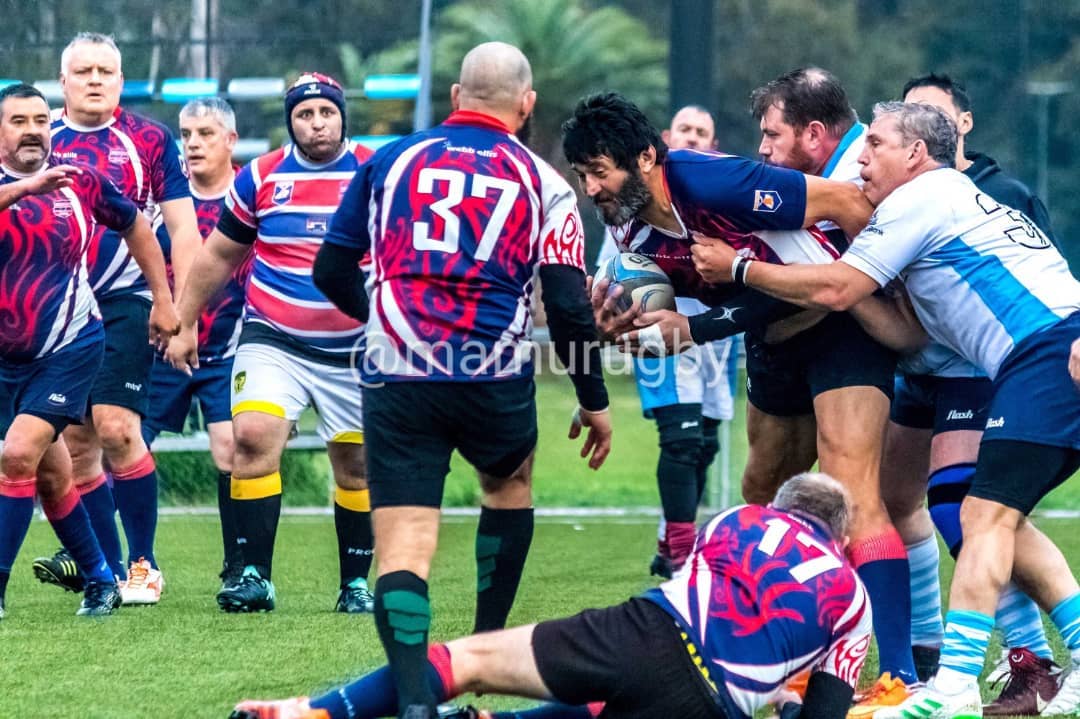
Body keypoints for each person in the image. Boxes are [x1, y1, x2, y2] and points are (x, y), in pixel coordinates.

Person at [689, 100, 1080, 719]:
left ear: (916, 154)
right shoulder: (944, 200)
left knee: (980, 515)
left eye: (875, 144)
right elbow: (901, 333)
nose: (862, 157)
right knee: (993, 517)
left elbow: (838, 285)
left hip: (1048, 351)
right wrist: (833, 284)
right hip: (1043, 354)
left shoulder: (917, 201)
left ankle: (953, 684)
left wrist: (741, 267)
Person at [561, 91, 921, 697]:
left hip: (838, 328)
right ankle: (787, 658)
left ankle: (898, 676)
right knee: (762, 494)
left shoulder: (715, 182)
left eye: (600, 171)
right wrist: (618, 332)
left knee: (850, 485)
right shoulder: (628, 233)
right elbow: (674, 309)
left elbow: (850, 203)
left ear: (647, 156)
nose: (591, 188)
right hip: (770, 340)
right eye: (582, 175)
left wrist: (885, 291)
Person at [310, 42, 612, 719]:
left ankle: (417, 700)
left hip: (398, 373)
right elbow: (566, 305)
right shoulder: (546, 182)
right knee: (508, 483)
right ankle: (481, 644)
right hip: (491, 376)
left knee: (406, 542)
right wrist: (594, 399)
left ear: (454, 96)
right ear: (526, 104)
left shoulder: (387, 162)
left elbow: (330, 270)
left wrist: (380, 317)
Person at [230, 473, 871, 719]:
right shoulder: (853, 598)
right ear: (840, 538)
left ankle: (313, 713)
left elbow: (699, 595)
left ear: (780, 506)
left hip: (648, 633)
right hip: (715, 705)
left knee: (468, 662)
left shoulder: (735, 519)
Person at [874, 73, 1062, 711]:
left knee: (972, 512)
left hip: (992, 369)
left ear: (958, 126)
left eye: (931, 115)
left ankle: (1014, 662)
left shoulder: (998, 194)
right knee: (900, 500)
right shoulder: (891, 193)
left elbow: (1043, 283)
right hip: (920, 369)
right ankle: (932, 651)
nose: (917, 124)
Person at [165, 73, 376, 614]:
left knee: (355, 464)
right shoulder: (262, 176)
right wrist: (185, 321)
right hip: (273, 337)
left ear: (341, 115)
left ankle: (354, 583)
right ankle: (254, 576)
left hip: (354, 345)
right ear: (290, 123)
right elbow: (216, 257)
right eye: (305, 115)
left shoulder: (377, 171)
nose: (317, 123)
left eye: (326, 112)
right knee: (252, 437)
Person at [33, 32, 200, 605]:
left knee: (116, 427)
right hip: (60, 307)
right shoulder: (40, 141)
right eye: (84, 71)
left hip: (130, 297)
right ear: (64, 82)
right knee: (77, 448)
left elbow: (182, 227)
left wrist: (180, 307)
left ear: (122, 81)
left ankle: (144, 564)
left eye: (106, 70)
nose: (96, 80)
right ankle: (102, 569)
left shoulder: (149, 139)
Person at [0, 83, 177, 618]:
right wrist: (25, 188)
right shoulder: (27, 183)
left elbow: (136, 225)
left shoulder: (78, 179)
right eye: (17, 121)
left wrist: (163, 299)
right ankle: (102, 578)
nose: (32, 129)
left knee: (15, 457)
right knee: (54, 474)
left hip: (70, 344)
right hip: (6, 358)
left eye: (39, 119)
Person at [595, 103, 735, 579]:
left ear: (712, 145)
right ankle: (680, 552)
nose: (693, 137)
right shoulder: (633, 204)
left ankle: (667, 534)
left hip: (716, 334)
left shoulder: (719, 196)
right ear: (663, 141)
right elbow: (609, 275)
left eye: (703, 131)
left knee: (707, 444)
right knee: (681, 439)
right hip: (658, 329)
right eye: (685, 129)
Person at [141, 97, 251, 597]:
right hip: (163, 350)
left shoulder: (253, 194)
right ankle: (135, 562)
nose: (193, 143)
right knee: (126, 447)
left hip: (229, 349)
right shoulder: (167, 199)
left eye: (206, 133)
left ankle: (241, 564)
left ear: (230, 139)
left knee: (231, 447)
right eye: (186, 134)